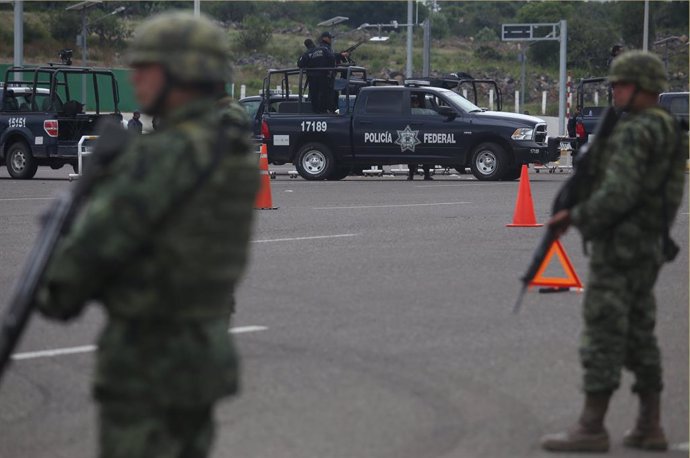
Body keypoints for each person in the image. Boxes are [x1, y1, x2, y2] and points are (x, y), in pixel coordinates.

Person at [34, 12, 258, 458]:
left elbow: (64, 287)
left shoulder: (159, 159)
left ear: (183, 72)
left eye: (146, 67)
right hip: (201, 358)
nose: (135, 78)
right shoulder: (230, 152)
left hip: (146, 365)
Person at [541, 51, 687, 453]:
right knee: (640, 332)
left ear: (642, 87)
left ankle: (592, 425)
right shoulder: (666, 128)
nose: (614, 90)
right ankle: (649, 424)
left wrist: (575, 216)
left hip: (621, 247)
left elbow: (619, 192)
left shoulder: (638, 130)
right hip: (646, 246)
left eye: (621, 84)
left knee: (603, 330)